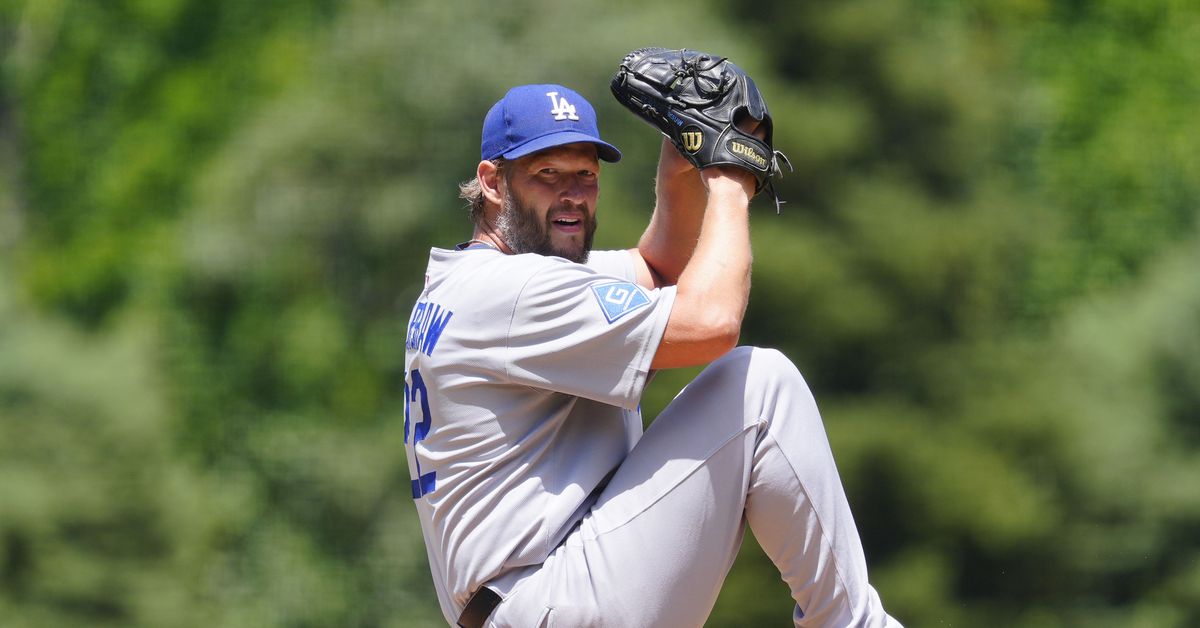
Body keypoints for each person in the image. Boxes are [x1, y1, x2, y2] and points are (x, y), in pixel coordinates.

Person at [403, 83, 901, 627]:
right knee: (761, 387)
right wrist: (730, 181)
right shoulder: (518, 292)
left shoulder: (480, 283)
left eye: (585, 174)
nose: (572, 193)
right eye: (547, 174)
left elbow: (662, 269)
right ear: (493, 183)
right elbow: (710, 322)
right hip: (552, 597)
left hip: (538, 600)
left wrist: (682, 161)